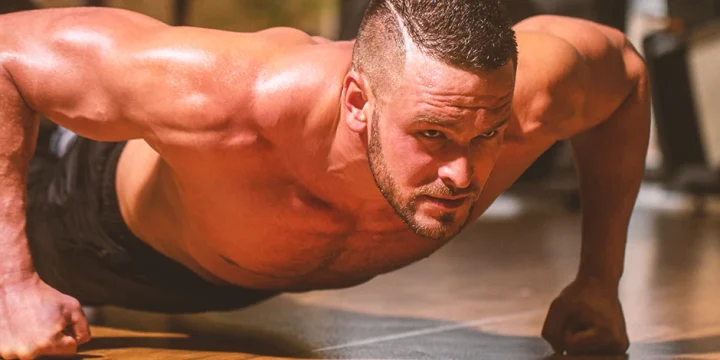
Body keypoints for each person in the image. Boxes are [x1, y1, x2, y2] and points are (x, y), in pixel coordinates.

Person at [0, 0, 650, 358]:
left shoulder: (522, 94)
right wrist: (14, 283)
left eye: (488, 136)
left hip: (236, 272)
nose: (462, 173)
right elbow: (9, 53)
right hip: (87, 221)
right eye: (432, 136)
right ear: (357, 104)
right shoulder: (225, 93)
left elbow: (625, 72)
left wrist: (599, 280)